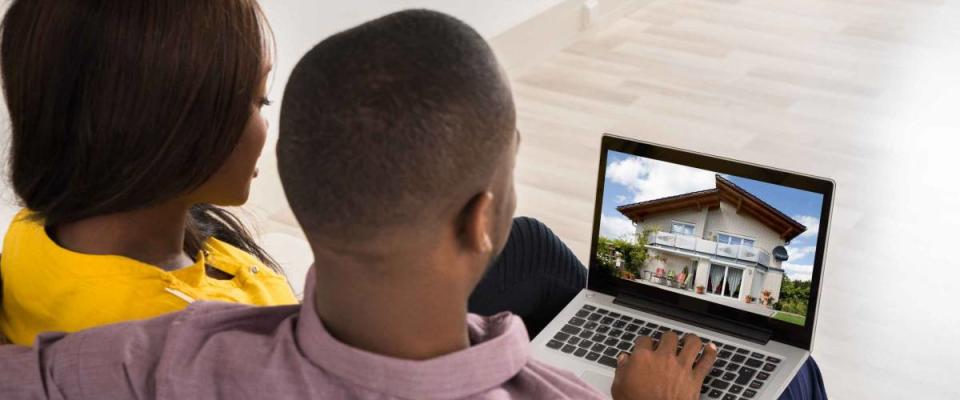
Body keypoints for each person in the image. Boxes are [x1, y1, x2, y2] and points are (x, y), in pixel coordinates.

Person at [0, 0, 583, 346]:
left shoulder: (34, 232)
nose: (265, 124)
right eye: (258, 103)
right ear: (167, 133)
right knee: (530, 256)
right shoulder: (188, 342)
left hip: (303, 331)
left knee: (525, 244)